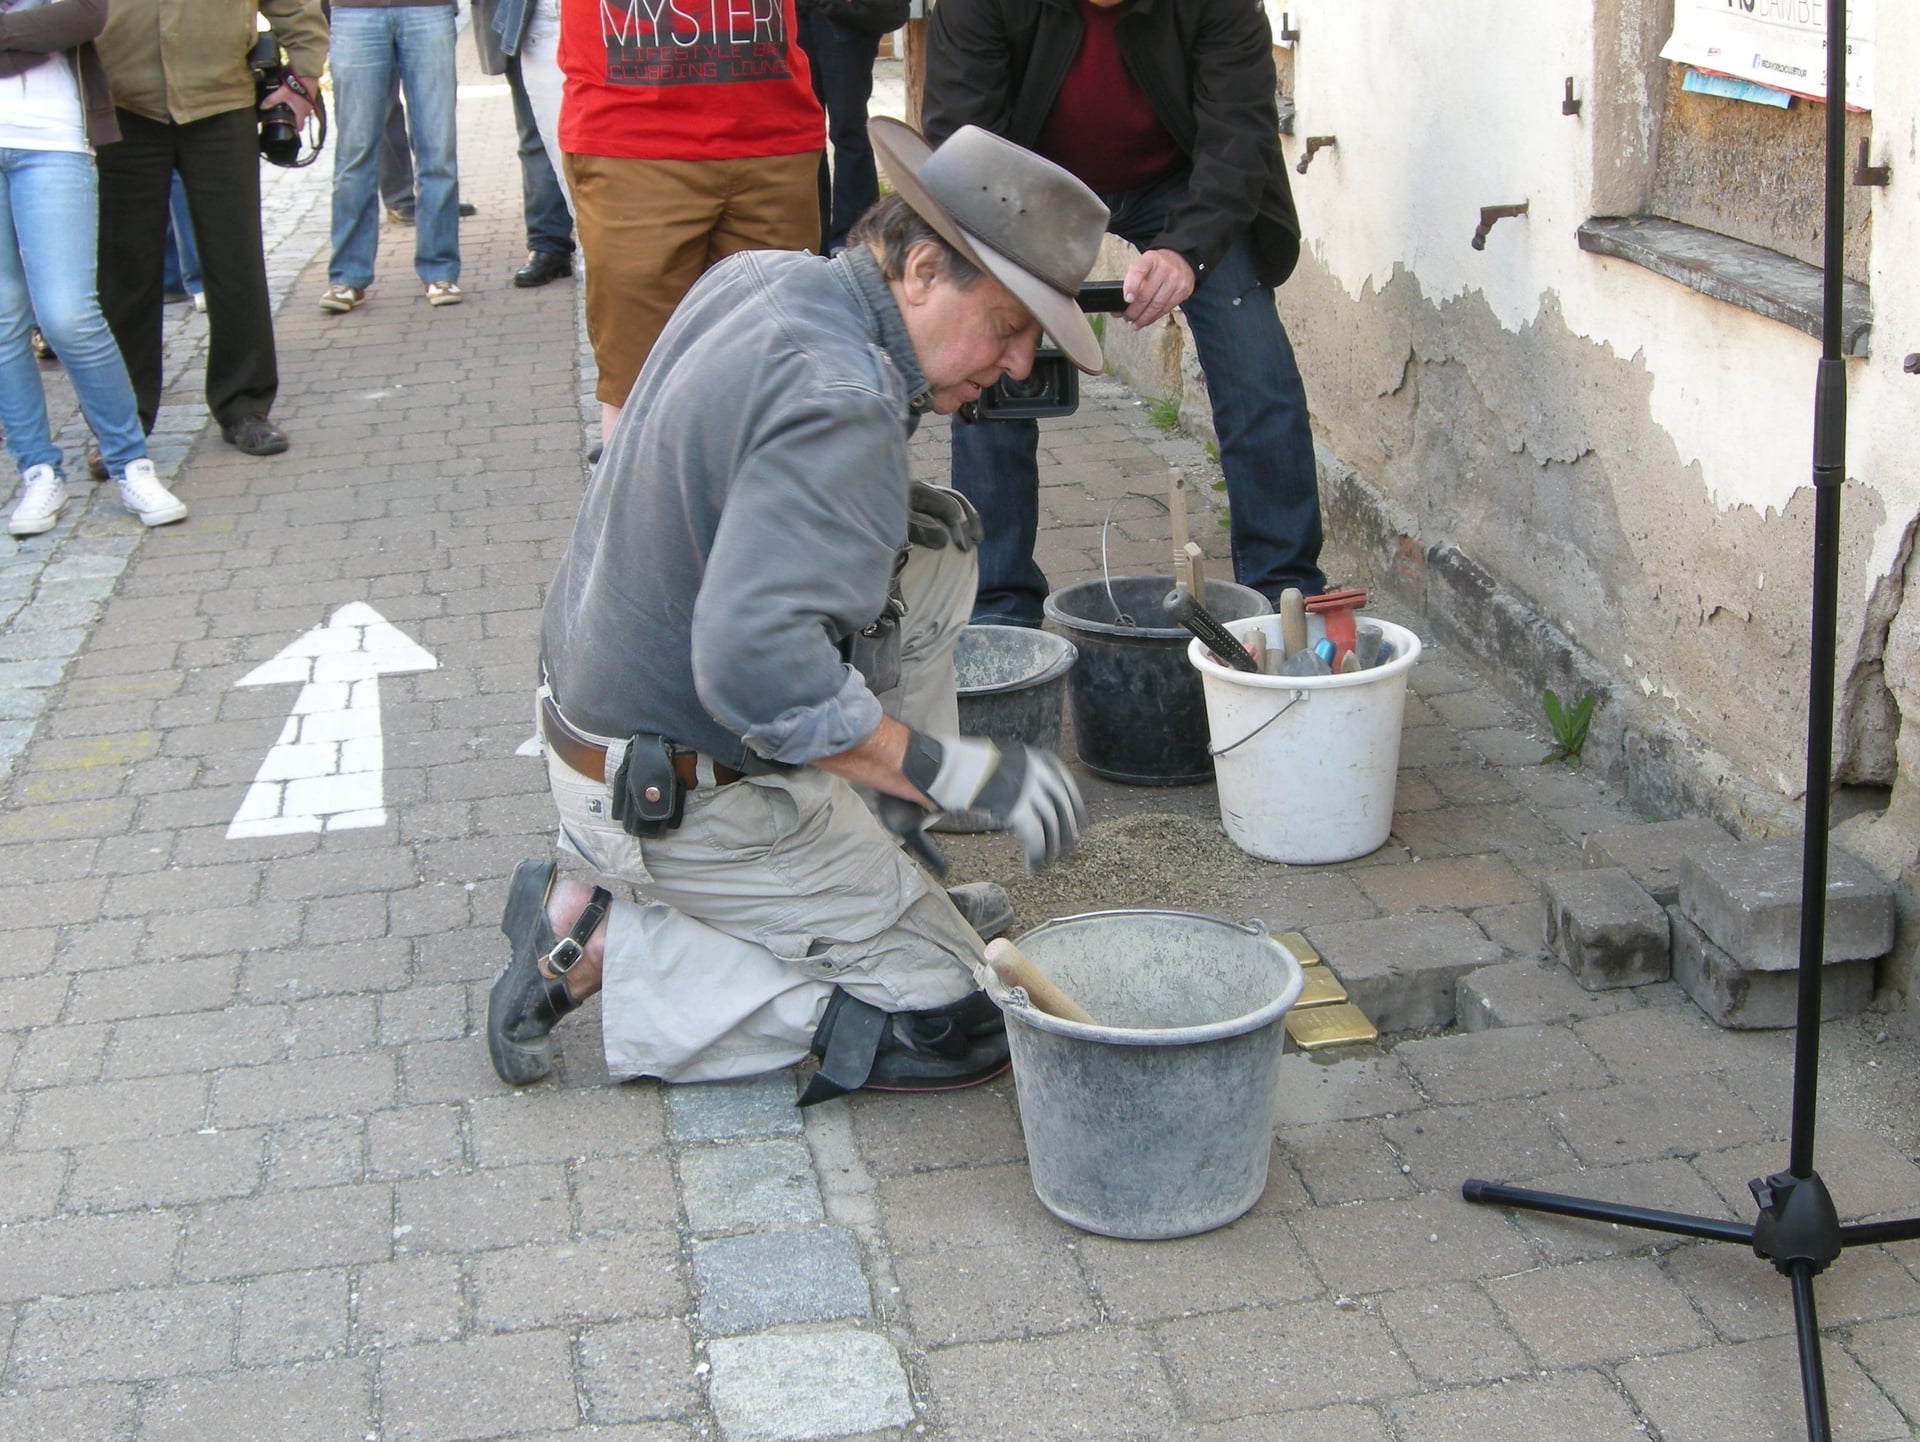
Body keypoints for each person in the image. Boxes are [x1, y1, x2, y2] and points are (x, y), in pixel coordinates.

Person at [488, 121, 1109, 1102]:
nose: (1022, 363)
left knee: (935, 537)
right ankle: (596, 938)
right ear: (920, 269)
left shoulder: (769, 277)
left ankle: (867, 846)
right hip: (667, 793)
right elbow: (758, 676)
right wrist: (964, 772)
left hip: (601, 719)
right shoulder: (844, 397)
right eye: (1008, 325)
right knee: (959, 1014)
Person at [923, 0, 1327, 626]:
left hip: (1179, 180)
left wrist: (1187, 251)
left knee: (1254, 354)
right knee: (990, 360)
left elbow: (1239, 137)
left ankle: (1284, 596)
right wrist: (1013, 270)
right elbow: (963, 138)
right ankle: (998, 609)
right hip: (1024, 182)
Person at [556, 0, 823, 439]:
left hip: (771, 129)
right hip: (635, 135)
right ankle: (639, 488)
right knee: (641, 386)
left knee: (777, 383)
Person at [94, 0, 325, 458]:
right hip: (120, 102)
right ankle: (121, 422)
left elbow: (295, 5)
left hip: (221, 98)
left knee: (234, 263)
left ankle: (244, 406)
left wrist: (304, 77)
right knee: (124, 274)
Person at [1, 0, 189, 536]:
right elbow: (51, 24)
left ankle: (130, 464)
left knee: (69, 317)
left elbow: (83, 16)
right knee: (3, 318)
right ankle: (38, 471)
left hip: (52, 140)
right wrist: (29, 33)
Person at [320, 0, 462, 311]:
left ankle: (439, 271)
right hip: (355, 10)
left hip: (428, 7)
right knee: (355, 154)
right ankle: (347, 276)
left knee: (438, 150)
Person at [474, 0, 573, 287]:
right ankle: (548, 245)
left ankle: (605, 241)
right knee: (536, 138)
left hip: (608, 21)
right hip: (535, 18)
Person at [795, 0, 904, 255]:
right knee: (806, 128)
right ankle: (812, 236)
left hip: (846, 15)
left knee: (849, 126)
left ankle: (855, 238)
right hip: (797, 12)